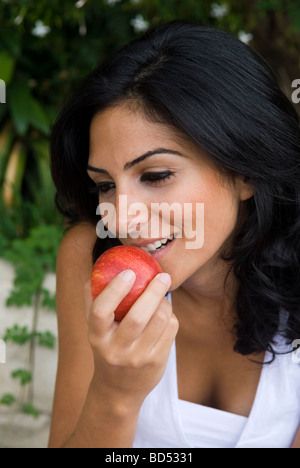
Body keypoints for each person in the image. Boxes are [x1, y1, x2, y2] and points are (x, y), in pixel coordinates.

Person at [48, 21, 300, 448]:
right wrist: (115, 396)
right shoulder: (89, 257)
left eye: (157, 175)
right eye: (105, 185)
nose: (122, 220)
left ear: (245, 172)